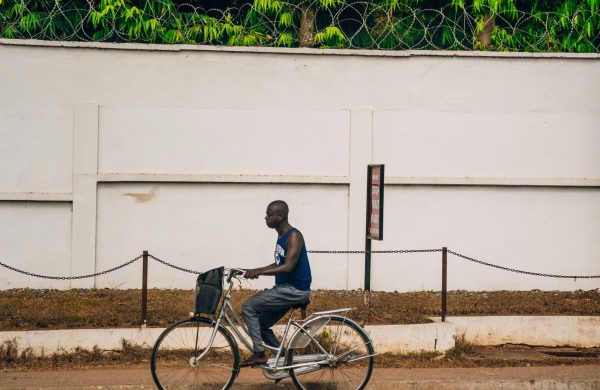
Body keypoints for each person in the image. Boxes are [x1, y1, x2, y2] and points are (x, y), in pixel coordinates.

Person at [241, 200, 312, 367]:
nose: (266, 217)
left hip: (294, 290)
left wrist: (258, 272)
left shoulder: (294, 236)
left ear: (280, 216)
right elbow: (279, 264)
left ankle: (259, 354)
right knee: (260, 324)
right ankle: (284, 359)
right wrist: (254, 270)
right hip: (285, 289)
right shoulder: (281, 236)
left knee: (248, 307)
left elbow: (288, 267)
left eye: (269, 214)